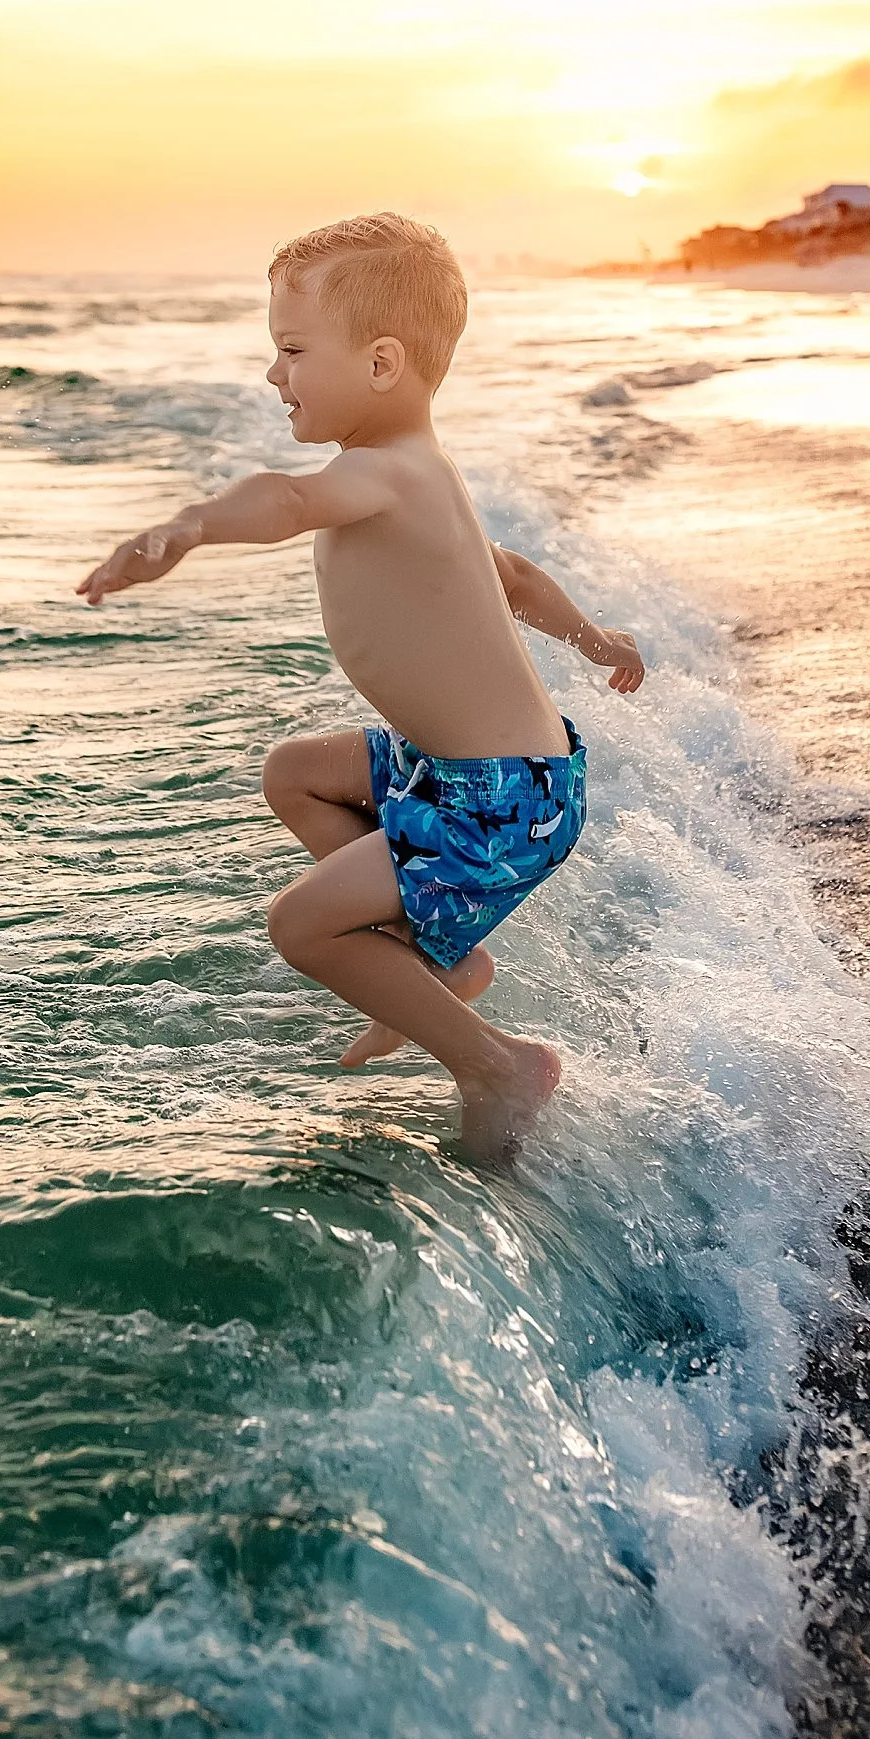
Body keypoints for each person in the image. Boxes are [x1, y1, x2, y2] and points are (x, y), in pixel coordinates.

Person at [76, 213, 644, 1162]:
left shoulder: (378, 475)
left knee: (301, 923)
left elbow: (287, 499)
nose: (274, 374)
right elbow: (512, 577)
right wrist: (591, 636)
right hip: (485, 774)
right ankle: (434, 960)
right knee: (296, 773)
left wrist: (188, 527)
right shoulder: (420, 470)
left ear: (382, 364)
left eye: (293, 350)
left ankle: (499, 1064)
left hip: (499, 799)